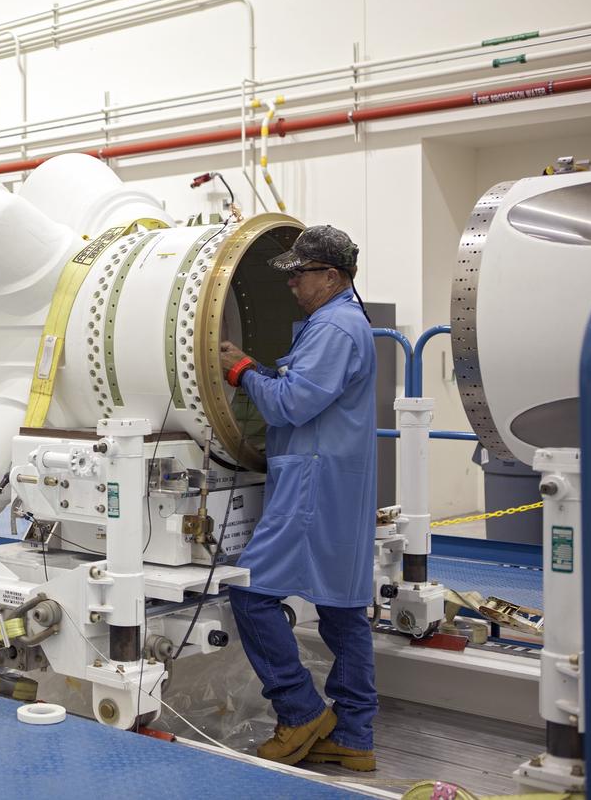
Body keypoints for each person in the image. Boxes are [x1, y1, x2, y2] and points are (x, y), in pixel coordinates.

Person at [217, 225, 379, 773]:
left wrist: (240, 372)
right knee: (341, 608)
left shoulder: (334, 327)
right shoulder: (339, 322)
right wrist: (259, 371)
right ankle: (354, 735)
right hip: (336, 479)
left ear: (331, 277)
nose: (290, 284)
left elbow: (292, 405)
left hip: (312, 483)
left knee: (251, 592)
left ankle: (300, 711)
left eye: (299, 274)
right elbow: (302, 388)